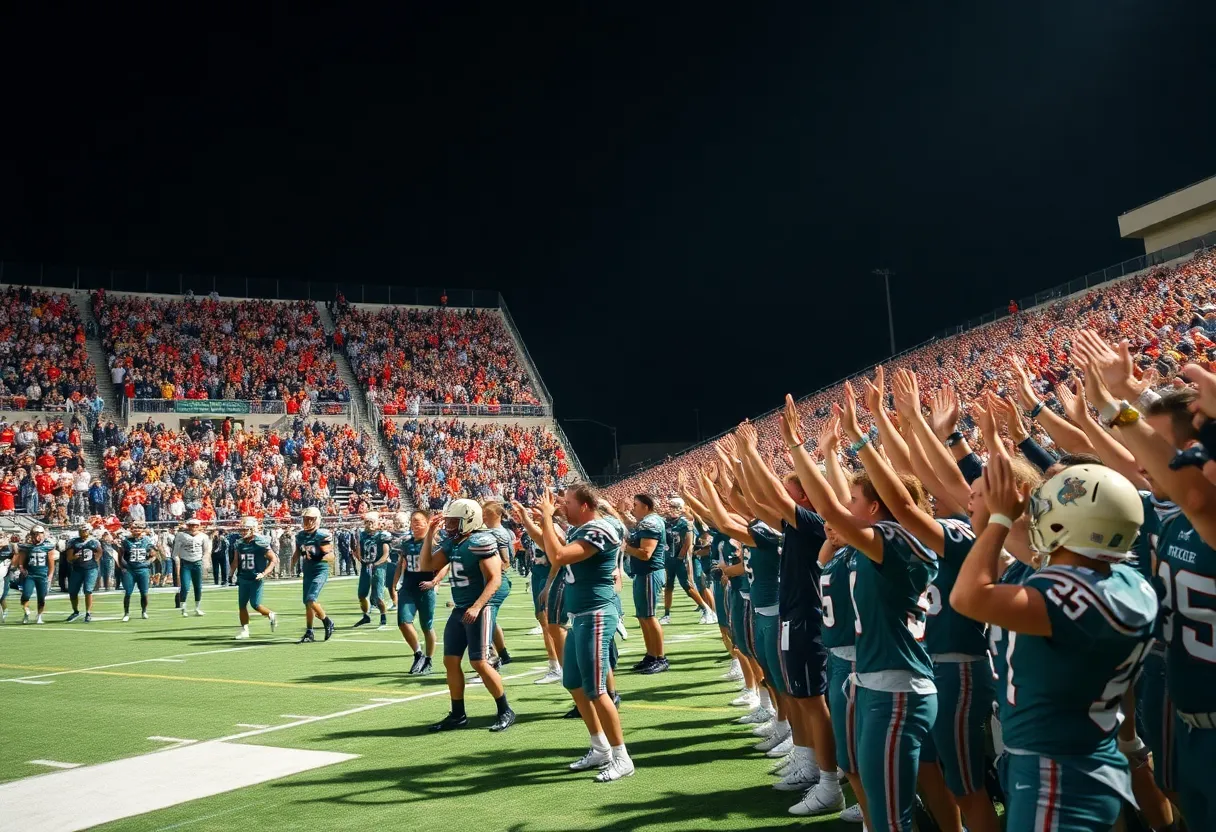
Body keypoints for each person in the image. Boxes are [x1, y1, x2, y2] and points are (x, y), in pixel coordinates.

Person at [953, 457, 1155, 831]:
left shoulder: (1066, 592)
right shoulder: (1128, 583)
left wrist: (997, 521)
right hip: (1084, 749)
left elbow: (967, 597)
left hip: (1055, 766)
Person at [536, 484, 634, 782]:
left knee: (595, 689)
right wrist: (541, 522)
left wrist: (547, 520)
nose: (562, 507)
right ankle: (600, 747)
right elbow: (551, 547)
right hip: (580, 616)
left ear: (586, 506)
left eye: (567, 503)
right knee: (574, 683)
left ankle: (622, 757)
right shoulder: (581, 530)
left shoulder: (600, 529)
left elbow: (560, 556)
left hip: (597, 614)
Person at [421, 498, 515, 732]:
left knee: (479, 662)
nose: (449, 525)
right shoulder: (454, 543)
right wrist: (429, 533)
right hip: (460, 608)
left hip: (479, 608)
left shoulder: (480, 541)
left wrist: (477, 606)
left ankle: (505, 710)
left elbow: (495, 579)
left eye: (454, 521)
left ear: (469, 520)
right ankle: (458, 714)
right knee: (450, 661)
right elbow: (426, 564)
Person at [392, 510, 446, 675]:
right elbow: (401, 564)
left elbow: (445, 565)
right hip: (408, 586)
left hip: (425, 587)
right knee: (403, 621)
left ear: (427, 523)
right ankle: (418, 653)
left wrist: (435, 582)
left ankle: (428, 659)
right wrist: (393, 586)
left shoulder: (433, 542)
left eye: (419, 521)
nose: (415, 525)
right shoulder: (406, 543)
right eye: (413, 521)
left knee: (426, 626)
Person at [620, 494, 668, 674]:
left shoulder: (651, 523)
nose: (633, 508)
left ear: (646, 507)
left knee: (649, 616)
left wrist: (625, 548)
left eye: (636, 505)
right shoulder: (647, 521)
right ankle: (651, 654)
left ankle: (660, 657)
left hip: (649, 572)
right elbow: (634, 528)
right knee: (642, 616)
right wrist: (621, 513)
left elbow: (646, 553)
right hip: (643, 573)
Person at [660, 497, 714, 625]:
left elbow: (688, 543)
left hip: (681, 559)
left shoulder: (684, 523)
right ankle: (666, 614)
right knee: (668, 586)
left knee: (688, 587)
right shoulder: (665, 522)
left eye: (672, 507)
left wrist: (680, 558)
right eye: (669, 506)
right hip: (669, 559)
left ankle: (706, 609)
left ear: (679, 509)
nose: (669, 509)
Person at [291, 506, 336, 643]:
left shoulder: (322, 535)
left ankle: (327, 621)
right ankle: (309, 631)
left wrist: (319, 557)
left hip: (319, 570)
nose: (308, 522)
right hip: (307, 570)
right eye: (306, 519)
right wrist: (291, 565)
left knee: (311, 599)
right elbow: (298, 552)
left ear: (317, 520)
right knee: (307, 603)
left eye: (311, 519)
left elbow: (332, 556)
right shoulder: (300, 535)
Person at [232, 516, 277, 640]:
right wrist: (231, 574)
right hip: (243, 577)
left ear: (252, 529)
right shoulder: (239, 543)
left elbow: (273, 560)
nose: (243, 531)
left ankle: (270, 614)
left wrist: (264, 573)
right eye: (242, 529)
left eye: (246, 528)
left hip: (255, 578)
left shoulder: (260, 543)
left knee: (255, 604)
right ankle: (245, 630)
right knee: (242, 605)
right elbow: (236, 561)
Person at [483, 500, 514, 666]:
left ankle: (491, 659)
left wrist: (492, 571)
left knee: (484, 618)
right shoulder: (496, 531)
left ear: (495, 515)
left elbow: (506, 560)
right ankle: (503, 654)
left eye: (485, 514)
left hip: (496, 580)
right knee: (491, 620)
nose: (482, 517)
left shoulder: (498, 533)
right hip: (496, 579)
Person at [353, 511, 391, 629]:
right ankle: (366, 615)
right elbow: (357, 550)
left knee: (378, 596)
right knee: (362, 595)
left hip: (379, 567)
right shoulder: (361, 535)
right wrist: (361, 560)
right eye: (367, 522)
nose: (369, 524)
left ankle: (383, 617)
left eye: (371, 522)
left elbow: (385, 554)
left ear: (377, 523)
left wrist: (375, 564)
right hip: (366, 567)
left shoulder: (381, 535)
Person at [16, 525, 56, 624]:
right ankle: (26, 612)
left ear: (43, 535)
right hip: (30, 575)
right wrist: (21, 569)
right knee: (26, 594)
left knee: (41, 598)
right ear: (31, 535)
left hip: (42, 575)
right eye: (35, 534)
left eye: (39, 534)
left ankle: (39, 616)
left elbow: (51, 563)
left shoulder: (48, 546)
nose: (37, 536)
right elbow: (20, 560)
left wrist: (50, 576)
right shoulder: (27, 546)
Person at [172, 517, 211, 617]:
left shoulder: (203, 536)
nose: (193, 528)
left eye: (196, 526)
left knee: (198, 587)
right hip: (186, 563)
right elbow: (175, 553)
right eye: (191, 525)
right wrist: (178, 564)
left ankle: (197, 607)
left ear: (199, 526)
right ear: (188, 526)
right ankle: (183, 607)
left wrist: (205, 564)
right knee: (185, 587)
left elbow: (206, 551)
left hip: (197, 562)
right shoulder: (181, 535)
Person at [65, 522, 102, 623]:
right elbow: (69, 557)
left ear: (89, 531)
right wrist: (74, 557)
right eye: (81, 530)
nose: (83, 532)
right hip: (77, 569)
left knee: (88, 590)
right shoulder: (73, 542)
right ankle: (75, 611)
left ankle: (88, 612)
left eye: (85, 530)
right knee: (72, 591)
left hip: (90, 569)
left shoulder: (94, 541)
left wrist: (96, 558)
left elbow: (99, 552)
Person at [120, 521, 156, 621]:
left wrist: (147, 563)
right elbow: (120, 555)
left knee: (144, 592)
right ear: (131, 529)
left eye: (139, 528)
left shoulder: (147, 540)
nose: (136, 530)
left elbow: (153, 555)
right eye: (134, 528)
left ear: (143, 529)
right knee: (128, 592)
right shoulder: (126, 540)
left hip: (142, 569)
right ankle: (126, 613)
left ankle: (144, 611)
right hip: (130, 570)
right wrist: (123, 566)